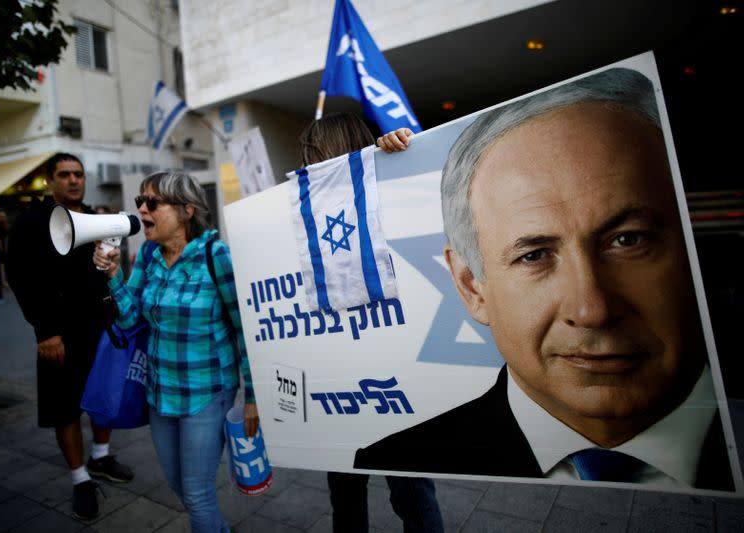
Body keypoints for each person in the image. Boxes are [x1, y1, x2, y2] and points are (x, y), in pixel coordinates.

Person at [353, 67, 734, 491]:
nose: (592, 311)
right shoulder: (400, 458)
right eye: (533, 255)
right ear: (469, 285)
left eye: (628, 240)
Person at [299, 112, 445, 532]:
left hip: (394, 379)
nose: (307, 163)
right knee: (344, 494)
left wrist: (400, 156)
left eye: (313, 154)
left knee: (412, 493)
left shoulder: (386, 192)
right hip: (340, 380)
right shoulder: (305, 208)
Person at [93, 170, 260, 532]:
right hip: (159, 393)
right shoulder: (149, 254)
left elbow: (244, 329)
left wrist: (253, 397)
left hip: (207, 392)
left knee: (198, 495)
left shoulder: (217, 256)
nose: (141, 209)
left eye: (151, 202)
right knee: (178, 485)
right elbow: (129, 319)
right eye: (139, 201)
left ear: (186, 210)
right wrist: (114, 276)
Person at [6, 153, 135, 520]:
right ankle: (80, 478)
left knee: (103, 393)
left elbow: (110, 267)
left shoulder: (98, 216)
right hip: (58, 333)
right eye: (64, 175)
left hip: (100, 326)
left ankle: (101, 456)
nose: (73, 180)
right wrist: (45, 330)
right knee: (64, 405)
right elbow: (19, 277)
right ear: (50, 181)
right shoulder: (30, 223)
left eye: (78, 174)